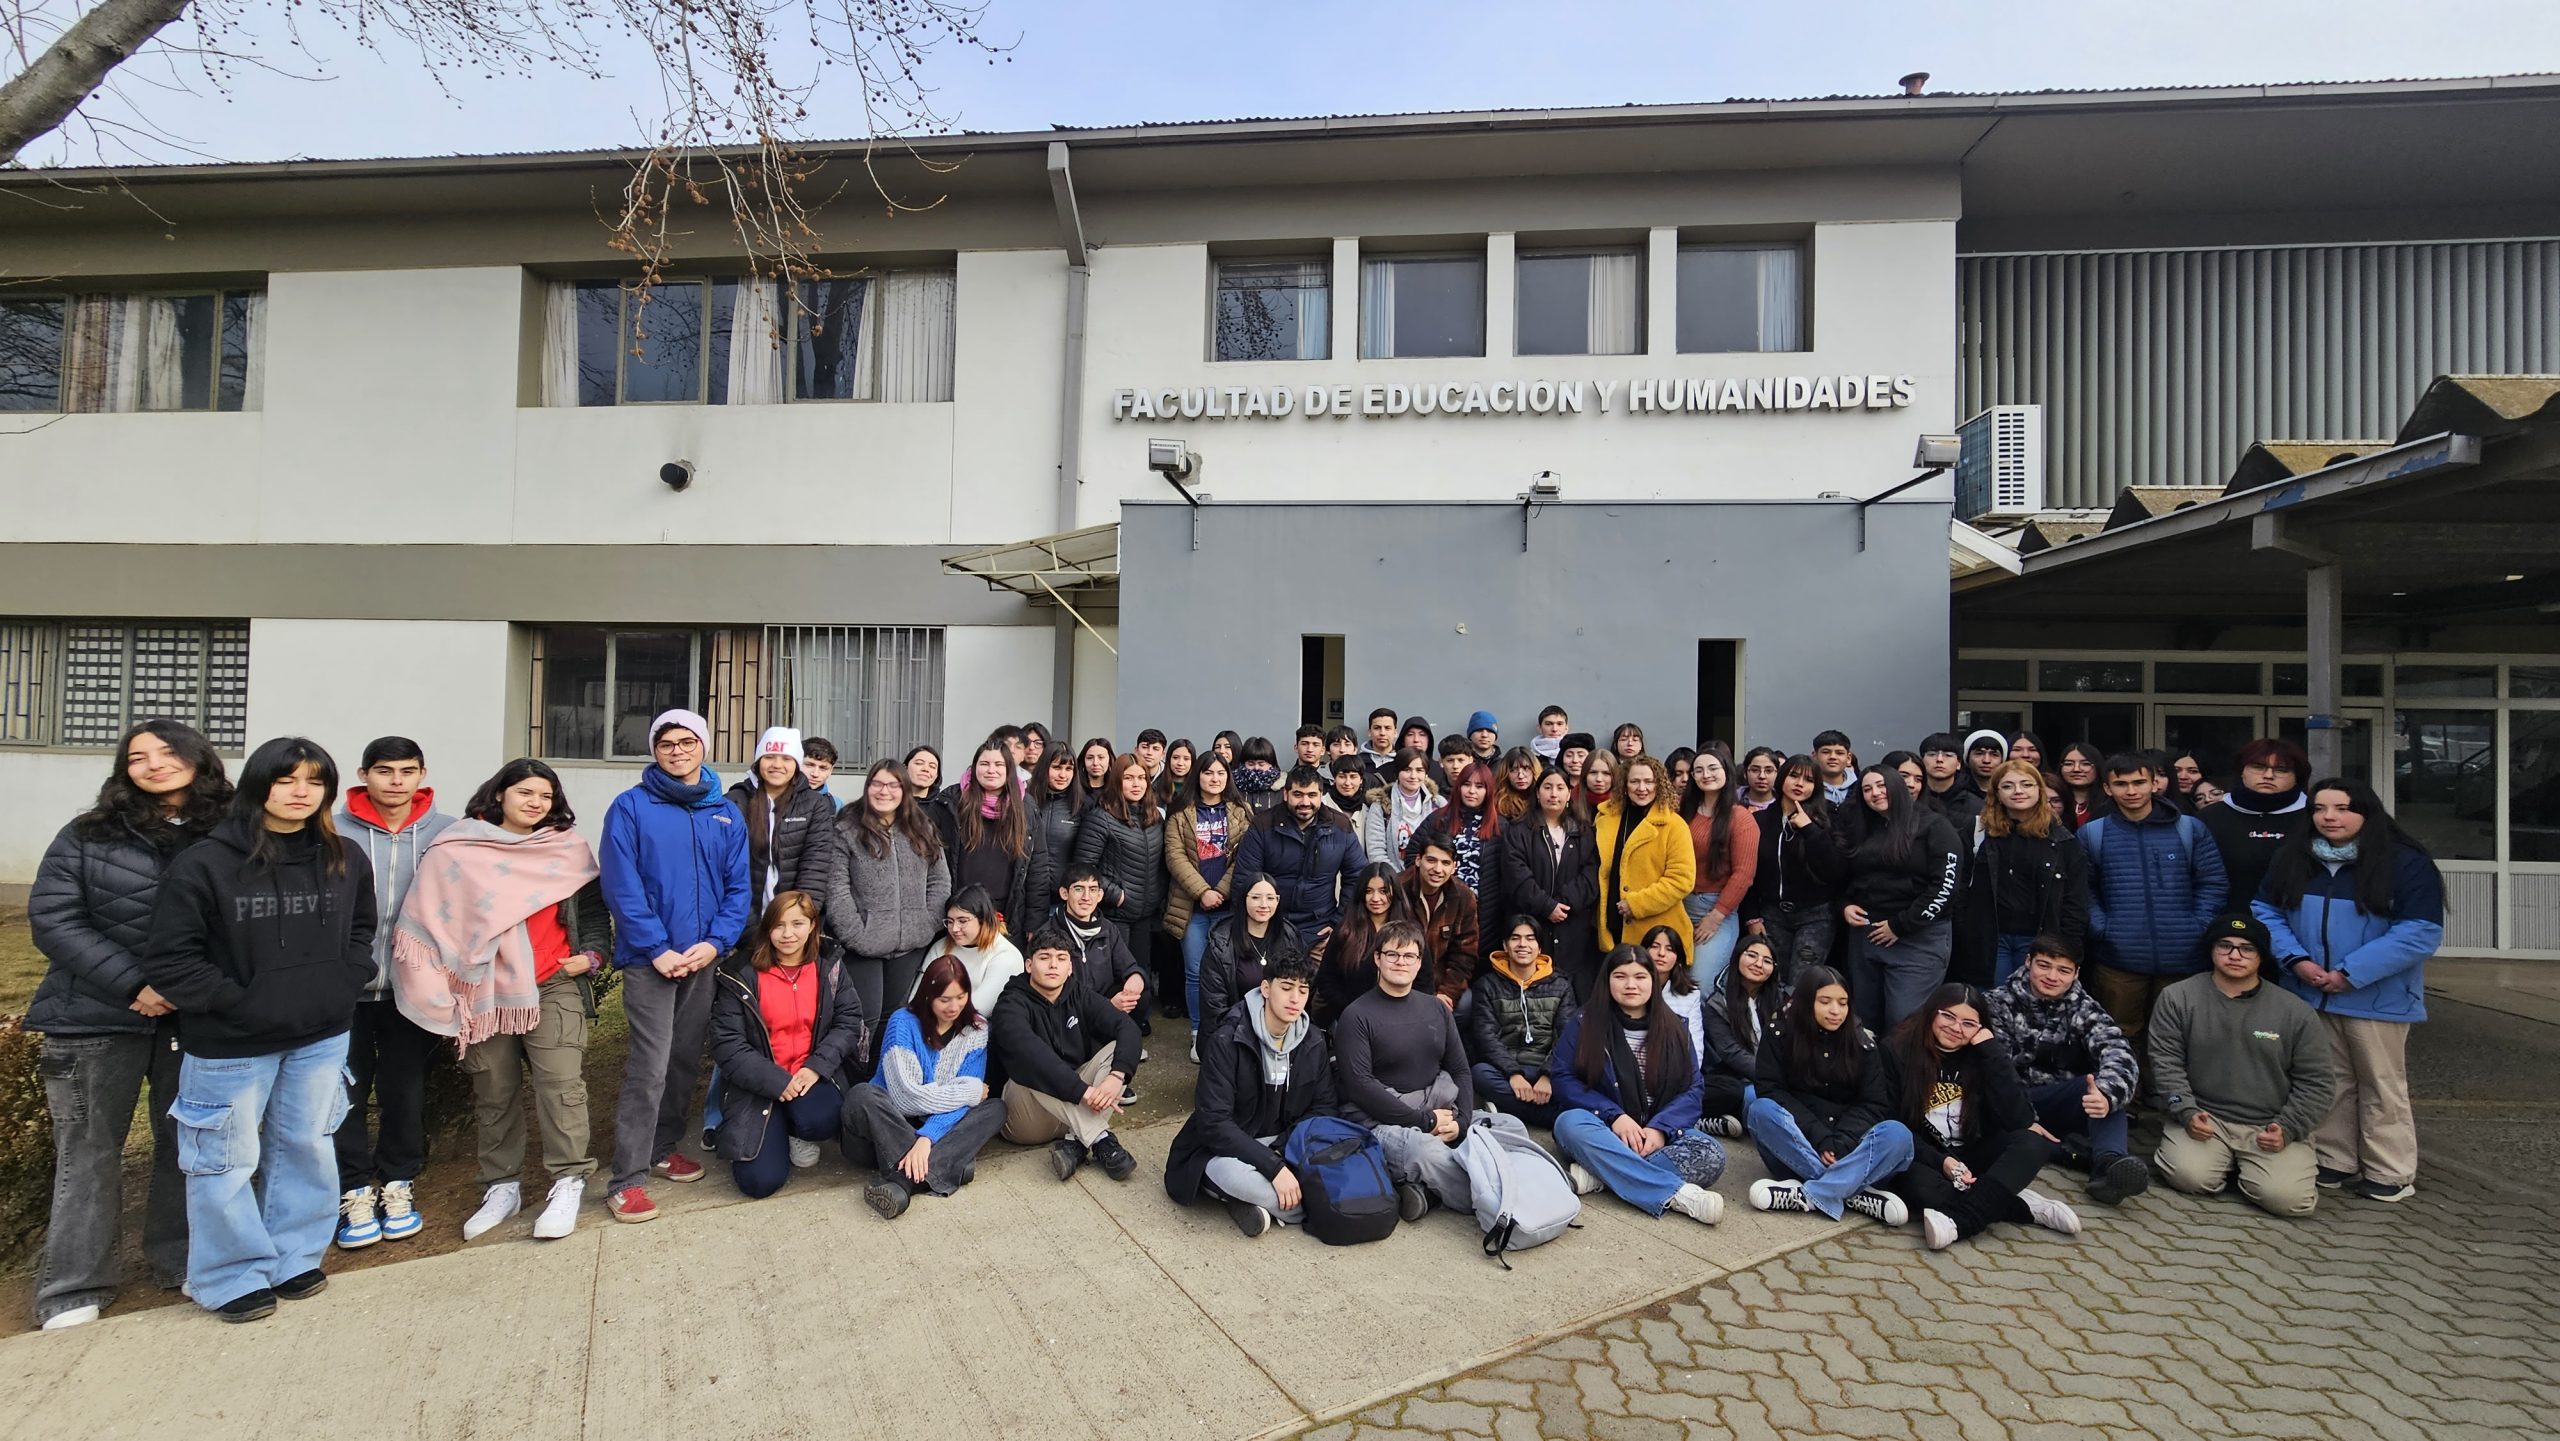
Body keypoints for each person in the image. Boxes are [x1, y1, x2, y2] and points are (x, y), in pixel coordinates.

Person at [144, 737, 377, 1323]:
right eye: (286, 780)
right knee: (225, 1160)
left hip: (320, 1035)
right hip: (232, 1044)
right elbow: (172, 959)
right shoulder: (206, 863)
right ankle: (228, 1276)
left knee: (305, 1147)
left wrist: (343, 982)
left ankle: (292, 1257)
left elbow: (361, 932)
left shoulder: (344, 856)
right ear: (258, 785)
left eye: (314, 782)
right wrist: (239, 1004)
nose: (300, 793)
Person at [27, 720, 228, 1329]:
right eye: (137, 756)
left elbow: (241, 923)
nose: (153, 764)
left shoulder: (231, 834)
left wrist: (185, 987)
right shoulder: (87, 834)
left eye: (167, 752)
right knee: (87, 1153)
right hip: (91, 1017)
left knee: (184, 1146)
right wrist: (133, 984)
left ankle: (180, 1261)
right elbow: (54, 920)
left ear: (198, 758)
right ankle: (72, 1287)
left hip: (192, 1019)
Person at [408, 759, 610, 1244]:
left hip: (552, 982)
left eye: (545, 795)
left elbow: (594, 914)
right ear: (500, 794)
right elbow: (431, 917)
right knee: (493, 1092)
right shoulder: (459, 849)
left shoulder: (564, 850)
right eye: (525, 792)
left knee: (562, 1086)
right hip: (483, 990)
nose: (535, 803)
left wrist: (594, 956)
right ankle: (501, 1186)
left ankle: (568, 1180)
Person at [2257, 779, 2444, 1203]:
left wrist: (2348, 973)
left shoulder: (2404, 863)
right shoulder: (2293, 857)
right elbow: (2266, 910)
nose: (2329, 818)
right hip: (2308, 990)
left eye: (2342, 808)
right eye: (2320, 809)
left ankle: (2390, 1171)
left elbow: (2420, 932)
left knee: (2381, 1084)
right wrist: (2296, 960)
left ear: (2366, 813)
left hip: (2376, 998)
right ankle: (2334, 1159)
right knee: (2329, 1080)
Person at [598, 709, 751, 1223]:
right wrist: (656, 948)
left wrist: (716, 943)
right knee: (648, 1065)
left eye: (688, 742)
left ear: (704, 747)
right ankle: (627, 1177)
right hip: (651, 961)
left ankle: (663, 1148)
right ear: (655, 750)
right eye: (667, 744)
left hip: (703, 958)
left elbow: (738, 888)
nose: (678, 751)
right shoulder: (630, 808)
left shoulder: (723, 811)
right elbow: (622, 886)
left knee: (684, 1058)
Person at [330, 737, 454, 1250]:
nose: (397, 781)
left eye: (408, 771)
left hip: (412, 986)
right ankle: (354, 1188)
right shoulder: (332, 830)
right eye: (385, 771)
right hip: (343, 990)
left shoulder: (446, 831)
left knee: (405, 1088)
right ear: (364, 774)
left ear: (423, 774)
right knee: (345, 1093)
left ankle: (399, 1180)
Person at [2149, 913, 2337, 1218]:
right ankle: (2223, 1162)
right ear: (2211, 950)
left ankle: (2254, 1168)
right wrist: (2186, 1111)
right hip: (2205, 1120)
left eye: (2246, 948)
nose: (2234, 955)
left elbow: (2317, 1082)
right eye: (2225, 946)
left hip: (2268, 1125)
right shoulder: (2178, 997)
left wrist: (2288, 1128)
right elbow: (2166, 1063)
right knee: (2189, 1177)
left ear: (2261, 956)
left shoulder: (2295, 1012)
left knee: (2287, 1201)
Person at [1880, 984, 2079, 1249]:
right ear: (1931, 1013)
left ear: (1980, 1028)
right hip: (1925, 1155)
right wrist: (1942, 1161)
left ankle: (1959, 1223)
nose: (1956, 1028)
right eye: (1948, 1016)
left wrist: (1991, 1051)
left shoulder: (1984, 1053)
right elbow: (1890, 1122)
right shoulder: (1896, 1049)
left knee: (2034, 1143)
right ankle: (2021, 1205)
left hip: (1974, 1151)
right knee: (1922, 1192)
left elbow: (2019, 1118)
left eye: (1968, 1023)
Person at [706, 892, 868, 1199]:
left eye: (797, 924)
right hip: (759, 1083)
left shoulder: (828, 967)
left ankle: (795, 1129)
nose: (788, 934)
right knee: (759, 1183)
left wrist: (816, 1067)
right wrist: (776, 1082)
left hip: (809, 1075)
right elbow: (727, 1044)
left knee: (825, 1119)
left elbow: (849, 1021)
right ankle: (773, 1126)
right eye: (779, 925)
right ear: (767, 929)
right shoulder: (740, 975)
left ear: (812, 926)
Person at [1548, 946, 1725, 1225]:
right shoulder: (1585, 1023)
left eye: (1640, 977)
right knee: (1569, 1123)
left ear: (1653, 981)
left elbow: (1692, 1089)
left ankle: (1602, 1175)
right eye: (1620, 976)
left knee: (1711, 1153)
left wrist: (1660, 1129)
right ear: (1607, 980)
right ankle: (1676, 1195)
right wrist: (1613, 1116)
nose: (1631, 985)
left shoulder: (1676, 1028)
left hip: (1658, 1134)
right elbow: (1562, 1077)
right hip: (1605, 1131)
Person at [1167, 948, 1339, 1236]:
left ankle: (1253, 1204)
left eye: (1303, 990)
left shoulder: (1312, 1041)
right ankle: (1278, 1202)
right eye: (1286, 988)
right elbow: (1215, 1124)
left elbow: (1324, 1108)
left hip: (1281, 1143)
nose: (1295, 999)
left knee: (1332, 1172)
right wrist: (1273, 1168)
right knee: (1239, 1177)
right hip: (1223, 1150)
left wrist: (1280, 1153)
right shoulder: (1228, 1037)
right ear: (1266, 988)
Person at [1984, 935, 2148, 1206]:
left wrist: (2106, 1094)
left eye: (2063, 970)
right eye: (2044, 965)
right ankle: (2076, 1154)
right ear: (2028, 962)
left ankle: (2109, 1165)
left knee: (2100, 1090)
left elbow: (2119, 1053)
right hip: (2010, 1104)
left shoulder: (2086, 1008)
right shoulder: (1996, 1003)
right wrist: (2021, 1116)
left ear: (2076, 974)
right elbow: (1995, 1069)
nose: (2052, 976)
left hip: (2058, 1100)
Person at [2078, 753, 2228, 1046]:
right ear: (2107, 789)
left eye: (2139, 782)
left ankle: (2169, 1094)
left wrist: (2197, 926)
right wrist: (2104, 929)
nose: (2131, 791)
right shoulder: (2093, 834)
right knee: (2117, 1037)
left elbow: (2213, 883)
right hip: (2119, 959)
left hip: (2183, 957)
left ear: (2155, 784)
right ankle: (2126, 1094)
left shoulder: (2189, 829)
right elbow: (2083, 891)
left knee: (2176, 1038)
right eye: (2121, 784)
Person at [1742, 966, 1912, 1225]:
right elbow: (1771, 1089)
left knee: (1898, 1134)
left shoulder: (1862, 1042)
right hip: (1800, 1146)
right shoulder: (1780, 1033)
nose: (1835, 1011)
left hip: (1850, 1148)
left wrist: (1841, 1142)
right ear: (1806, 1001)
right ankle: (1852, 1192)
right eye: (1825, 1001)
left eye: (1843, 1003)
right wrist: (1820, 1137)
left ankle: (1812, 1194)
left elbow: (1874, 1103)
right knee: (1760, 1109)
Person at [845, 952, 1009, 1219]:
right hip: (888, 1127)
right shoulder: (903, 1022)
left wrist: (927, 1137)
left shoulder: (977, 1029)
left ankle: (902, 1182)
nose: (953, 1007)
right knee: (861, 1095)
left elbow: (964, 1103)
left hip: (933, 1128)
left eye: (960, 997)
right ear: (927, 996)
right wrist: (968, 1091)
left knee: (996, 1108)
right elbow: (905, 1098)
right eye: (944, 999)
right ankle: (948, 1165)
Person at [1331, 920, 1473, 1220]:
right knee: (1427, 1152)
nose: (1400, 962)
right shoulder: (1356, 1016)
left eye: (1409, 956)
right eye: (1392, 955)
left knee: (1506, 1126)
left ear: (1420, 963)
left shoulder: (1435, 1009)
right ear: (1377, 959)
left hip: (1436, 1108)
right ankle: (1499, 1201)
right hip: (1381, 1123)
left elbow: (1460, 1068)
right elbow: (1360, 1087)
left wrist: (1461, 1121)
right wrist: (1424, 1122)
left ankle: (1430, 1193)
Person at [992, 924, 1142, 1182]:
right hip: (1027, 1117)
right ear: (1029, 965)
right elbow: (1030, 1054)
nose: (1053, 965)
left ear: (1070, 967)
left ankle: (1077, 1142)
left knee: (1119, 1051)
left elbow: (1126, 1027)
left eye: (1061, 958)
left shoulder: (1078, 993)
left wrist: (1116, 1077)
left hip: (1074, 1109)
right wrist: (1084, 1091)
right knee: (1031, 1065)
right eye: (1044, 957)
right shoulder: (1010, 1003)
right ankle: (1101, 1137)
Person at [823, 759, 951, 1054]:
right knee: (862, 1018)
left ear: (904, 790)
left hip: (910, 945)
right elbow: (837, 889)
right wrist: (857, 934)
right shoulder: (846, 829)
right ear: (868, 787)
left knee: (895, 1017)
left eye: (893, 785)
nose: (885, 791)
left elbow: (940, 882)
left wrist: (926, 922)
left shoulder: (922, 827)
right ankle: (855, 1084)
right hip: (863, 946)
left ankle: (884, 1083)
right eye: (877, 784)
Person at [1837, 765, 1963, 1031]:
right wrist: (1845, 905)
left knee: (1904, 1022)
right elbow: (1844, 876)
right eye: (1867, 789)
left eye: (1882, 785)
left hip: (1918, 937)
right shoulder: (1861, 827)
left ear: (1897, 786)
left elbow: (1945, 886)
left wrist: (1901, 925)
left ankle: (1906, 1074)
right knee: (1863, 1020)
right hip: (1866, 935)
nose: (1875, 794)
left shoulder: (1935, 825)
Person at [1955, 759, 2090, 990]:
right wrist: (1964, 930)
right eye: (2008, 786)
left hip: (2042, 940)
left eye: (2026, 785)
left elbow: (2075, 902)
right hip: (1989, 940)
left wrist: (2066, 948)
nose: (2018, 791)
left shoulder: (2063, 841)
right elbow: (1959, 888)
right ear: (1996, 792)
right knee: (1992, 1007)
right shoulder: (1977, 833)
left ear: (2039, 790)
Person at [1165, 752, 1253, 1036]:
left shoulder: (1241, 811)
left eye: (1220, 773)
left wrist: (1221, 890)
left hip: (1229, 907)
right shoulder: (1181, 812)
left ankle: (1230, 1032)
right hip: (1191, 909)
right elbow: (1174, 856)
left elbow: (1245, 857)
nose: (1215, 779)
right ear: (1197, 776)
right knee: (1196, 972)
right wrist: (1202, 891)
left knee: (1231, 973)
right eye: (1208, 773)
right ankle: (1197, 1033)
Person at [1232, 764, 1365, 950]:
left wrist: (1339, 923)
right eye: (1298, 794)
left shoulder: (1340, 826)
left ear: (1321, 795)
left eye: (1311, 795)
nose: (1305, 802)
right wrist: (1253, 928)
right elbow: (1244, 880)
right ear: (1286, 795)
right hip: (1271, 926)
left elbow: (1357, 878)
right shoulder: (1262, 825)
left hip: (1321, 929)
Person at [1073, 753, 1168, 1013]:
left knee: (1141, 969)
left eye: (1142, 778)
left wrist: (1158, 896)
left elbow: (1161, 863)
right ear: (1117, 781)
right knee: (1117, 974)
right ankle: (1116, 1026)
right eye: (1128, 778)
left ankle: (1140, 1018)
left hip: (1146, 913)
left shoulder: (1154, 818)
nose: (1136, 784)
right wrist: (1115, 895)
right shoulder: (1101, 817)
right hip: (1116, 913)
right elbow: (1085, 866)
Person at [1500, 767, 1602, 1002]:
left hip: (1573, 925)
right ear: (1537, 793)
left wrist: (1563, 905)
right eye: (1547, 787)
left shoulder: (1583, 831)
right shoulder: (1519, 830)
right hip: (1532, 921)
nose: (1553, 794)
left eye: (1559, 788)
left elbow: (1591, 873)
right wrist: (1547, 906)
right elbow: (1517, 875)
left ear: (1569, 794)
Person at [1464, 916, 1577, 1127]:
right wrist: (1513, 1073)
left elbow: (1567, 1035)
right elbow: (1485, 1036)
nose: (1522, 944)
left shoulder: (1560, 985)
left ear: (1539, 946)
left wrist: (1548, 1076)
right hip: (1507, 1071)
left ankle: (1515, 1109)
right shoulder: (1487, 985)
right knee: (1479, 1073)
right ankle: (1552, 1117)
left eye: (1530, 938)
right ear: (1505, 945)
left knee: (1581, 1078)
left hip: (1547, 1070)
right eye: (1515, 938)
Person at [1741, 755, 1845, 982]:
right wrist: (1752, 917)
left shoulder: (1829, 818)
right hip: (1771, 914)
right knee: (1771, 979)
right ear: (1781, 778)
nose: (1800, 784)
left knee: (1801, 982)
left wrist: (1809, 829)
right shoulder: (1759, 821)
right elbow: (1747, 872)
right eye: (1794, 776)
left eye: (1808, 780)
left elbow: (1834, 870)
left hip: (1814, 915)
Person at [930, 739, 1040, 939]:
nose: (991, 770)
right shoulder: (951, 802)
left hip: (1006, 913)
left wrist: (1034, 921)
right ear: (974, 768)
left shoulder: (1026, 806)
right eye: (984, 764)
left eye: (999, 765)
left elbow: (1038, 866)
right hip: (959, 912)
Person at [1594, 755, 1695, 970]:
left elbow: (1682, 880)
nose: (1642, 788)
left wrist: (1636, 904)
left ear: (1659, 784)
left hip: (1657, 935)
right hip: (1612, 932)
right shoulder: (1605, 818)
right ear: (1624, 784)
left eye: (1649, 782)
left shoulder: (1674, 825)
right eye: (1635, 781)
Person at [727, 727, 836, 916]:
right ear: (758, 761)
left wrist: (796, 920)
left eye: (786, 759)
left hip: (793, 924)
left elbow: (815, 869)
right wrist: (747, 930)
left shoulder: (815, 805)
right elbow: (726, 870)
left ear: (796, 764)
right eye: (769, 757)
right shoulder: (734, 802)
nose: (777, 765)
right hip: (742, 922)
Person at [1680, 742, 1760, 990]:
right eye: (1699, 770)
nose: (1707, 775)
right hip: (1678, 904)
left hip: (1716, 908)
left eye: (1713, 768)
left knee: (1700, 985)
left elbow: (1743, 875)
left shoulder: (1740, 818)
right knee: (1671, 981)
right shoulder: (1682, 811)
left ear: (1726, 771)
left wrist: (1715, 917)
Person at [2201, 738, 2311, 915]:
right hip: (2224, 928)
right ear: (2241, 772)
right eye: (2258, 767)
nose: (2268, 775)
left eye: (2281, 770)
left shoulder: (2314, 817)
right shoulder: (2211, 817)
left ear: (2297, 776)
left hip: (2294, 925)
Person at [1051, 865, 1149, 1055]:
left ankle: (1126, 1042)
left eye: (1093, 890)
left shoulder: (1108, 928)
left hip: (1103, 1001)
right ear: (1064, 893)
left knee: (1140, 993)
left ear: (1100, 895)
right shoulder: (1050, 933)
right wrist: (1107, 1006)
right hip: (1070, 1011)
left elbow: (1129, 966)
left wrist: (1136, 977)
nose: (1086, 897)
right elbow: (1053, 992)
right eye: (1079, 889)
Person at [1199, 873, 1308, 1034]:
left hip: (1282, 1031)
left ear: (1278, 901)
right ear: (1244, 900)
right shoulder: (1221, 942)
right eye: (1256, 897)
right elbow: (1214, 1006)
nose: (1264, 904)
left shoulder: (1290, 936)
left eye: (1271, 898)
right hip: (1234, 1032)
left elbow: (1302, 989)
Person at [1697, 933, 1781, 1138]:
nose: (1758, 964)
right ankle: (1702, 1122)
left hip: (1775, 1077)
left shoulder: (1782, 998)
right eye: (1752, 955)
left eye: (1767, 961)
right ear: (1737, 958)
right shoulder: (1717, 1003)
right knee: (1751, 1097)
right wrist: (1773, 1077)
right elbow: (1731, 1052)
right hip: (1735, 1079)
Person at [1315, 862, 1409, 1028]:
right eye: (1368, 891)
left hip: (1401, 1020)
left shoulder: (1410, 932)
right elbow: (1326, 979)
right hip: (1351, 1018)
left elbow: (1424, 981)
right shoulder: (1345, 931)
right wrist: (1350, 1009)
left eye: (1383, 891)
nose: (1375, 898)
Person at [1414, 760, 1504, 911]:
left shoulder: (1501, 826)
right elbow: (1413, 853)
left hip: (1485, 909)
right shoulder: (1439, 819)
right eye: (1466, 784)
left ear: (1488, 790)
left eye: (1479, 786)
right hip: (1440, 906)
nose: (1471, 791)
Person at [921, 884, 1024, 1014]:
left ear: (983, 920)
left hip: (977, 1026)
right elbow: (918, 995)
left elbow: (980, 1009)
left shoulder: (1006, 955)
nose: (954, 929)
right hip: (933, 1019)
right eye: (950, 921)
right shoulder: (940, 947)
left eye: (962, 921)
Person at [1024, 746, 1084, 931]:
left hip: (1064, 902)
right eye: (1057, 767)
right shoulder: (1024, 801)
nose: (1063, 775)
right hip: (1025, 898)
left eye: (1069, 769)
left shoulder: (1082, 806)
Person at [1359, 748, 1442, 871]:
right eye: (1407, 770)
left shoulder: (1438, 804)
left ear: (1426, 773)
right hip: (1394, 881)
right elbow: (1376, 852)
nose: (1413, 776)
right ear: (1397, 772)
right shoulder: (1381, 806)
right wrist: (1399, 880)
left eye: (1419, 770)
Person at [1917, 733, 1983, 827]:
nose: (1939, 759)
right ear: (1922, 761)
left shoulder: (1976, 805)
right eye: (1932, 754)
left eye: (1948, 755)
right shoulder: (1913, 797)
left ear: (1958, 763)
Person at [2055, 742, 2106, 832]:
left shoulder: (2110, 802)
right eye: (2068, 764)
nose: (2076, 769)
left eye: (2085, 764)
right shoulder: (2050, 801)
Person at [1233, 735, 1286, 811]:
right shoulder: (1233, 785)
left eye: (1261, 764)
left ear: (1271, 764)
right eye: (1251, 764)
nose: (1256, 768)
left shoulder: (1282, 788)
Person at [1494, 746, 1541, 824]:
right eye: (1513, 770)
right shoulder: (1497, 802)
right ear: (1505, 773)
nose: (1520, 776)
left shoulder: (1543, 799)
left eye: (1526, 769)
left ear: (1534, 770)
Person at [1810, 730, 1857, 806]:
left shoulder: (1861, 788)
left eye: (1839, 753)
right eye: (1826, 752)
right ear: (1814, 757)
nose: (1833, 757)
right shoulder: (1806, 788)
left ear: (1848, 758)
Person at [1150, 737, 1196, 813]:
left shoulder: (1198, 787)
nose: (1180, 763)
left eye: (1186, 759)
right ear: (1168, 759)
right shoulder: (1155, 787)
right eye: (1175, 758)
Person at [1326, 752, 1373, 819]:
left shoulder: (1369, 808)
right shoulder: (1322, 804)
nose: (1347, 783)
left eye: (1353, 777)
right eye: (1342, 777)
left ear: (1361, 780)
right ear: (1334, 778)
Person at [1072, 736, 1114, 810]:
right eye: (1090, 758)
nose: (1095, 763)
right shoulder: (1074, 788)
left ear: (1110, 760)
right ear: (1083, 760)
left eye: (1101, 757)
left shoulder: (1116, 790)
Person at [1738, 747, 1781, 813]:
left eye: (1768, 771)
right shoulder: (1731, 799)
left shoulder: (1783, 804)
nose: (1762, 776)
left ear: (1777, 773)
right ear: (1745, 773)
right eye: (1755, 770)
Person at [1363, 707, 1402, 779]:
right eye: (1377, 728)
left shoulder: (1403, 761)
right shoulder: (1358, 761)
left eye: (1387, 728)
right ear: (1369, 732)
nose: (1382, 733)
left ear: (1395, 732)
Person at [800, 737, 840, 803]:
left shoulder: (837, 805)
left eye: (823, 768)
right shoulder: (778, 800)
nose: (815, 774)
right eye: (810, 765)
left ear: (830, 771)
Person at [1579, 750, 1619, 815]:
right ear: (1584, 775)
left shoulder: (1624, 805)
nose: (1599, 779)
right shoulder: (1570, 801)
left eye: (1606, 773)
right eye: (1593, 772)